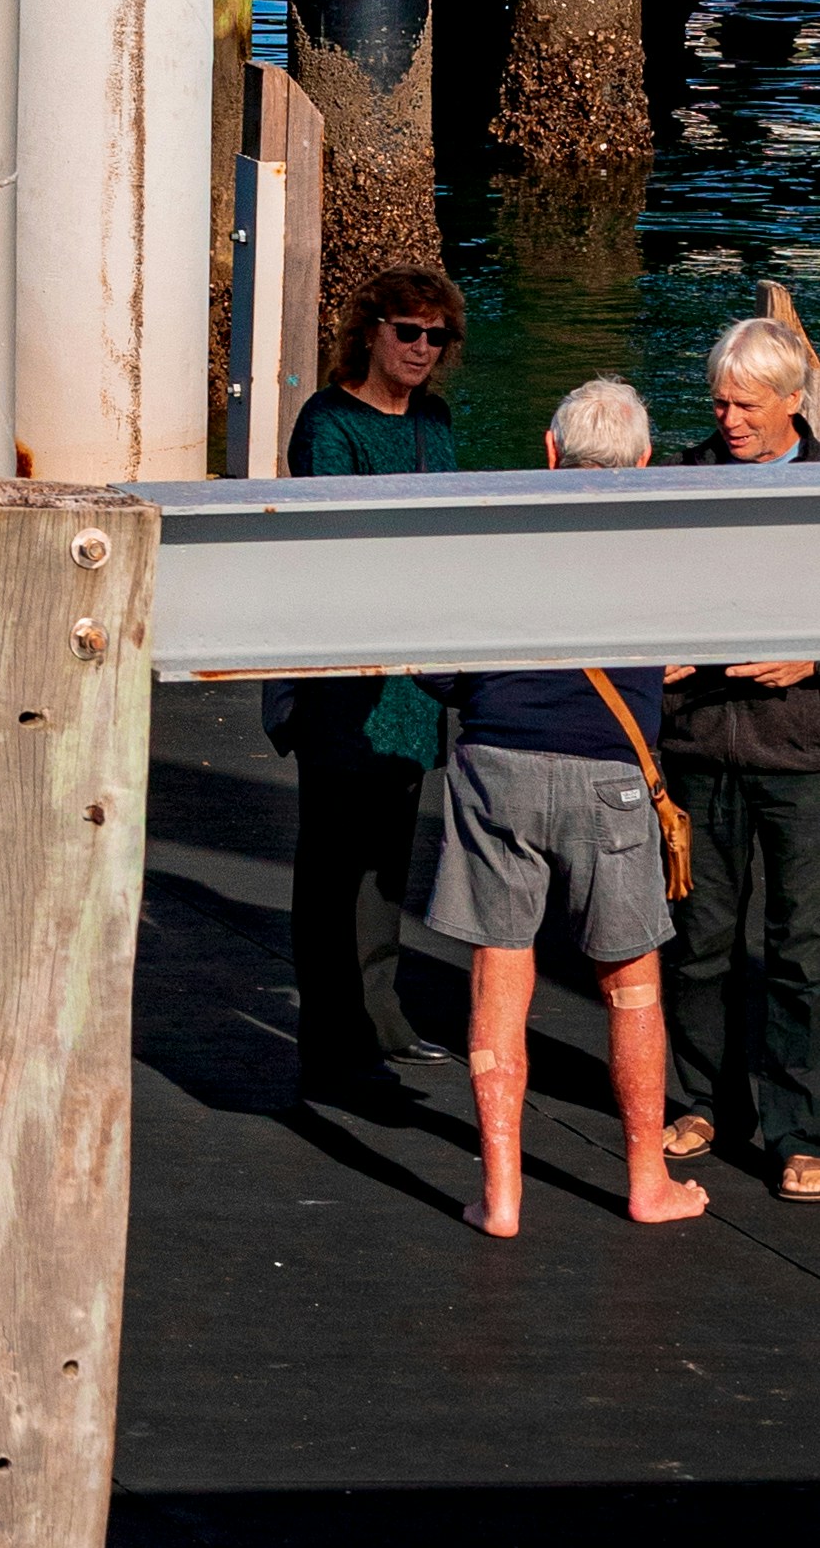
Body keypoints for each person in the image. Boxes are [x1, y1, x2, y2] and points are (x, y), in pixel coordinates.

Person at [412, 373, 709, 1242]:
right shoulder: (664, 544)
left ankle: (502, 1195)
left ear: (549, 450)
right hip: (609, 775)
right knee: (631, 985)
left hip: (496, 763)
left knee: (500, 976)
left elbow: (439, 667)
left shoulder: (500, 528)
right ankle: (647, 1179)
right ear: (647, 461)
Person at [275, 264, 466, 1118]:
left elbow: (451, 526)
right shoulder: (329, 421)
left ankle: (383, 1016)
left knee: (390, 858)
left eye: (438, 335)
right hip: (346, 679)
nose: (423, 348)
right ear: (372, 330)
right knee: (330, 866)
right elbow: (340, 541)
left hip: (415, 680)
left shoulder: (435, 419)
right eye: (408, 330)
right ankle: (332, 1043)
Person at [662, 300, 820, 1194]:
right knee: (700, 941)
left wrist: (812, 652)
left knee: (803, 951)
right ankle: (698, 1100)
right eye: (720, 404)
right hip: (699, 748)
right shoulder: (677, 479)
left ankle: (800, 1128)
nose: (727, 420)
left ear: (793, 401)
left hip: (802, 754)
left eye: (746, 406)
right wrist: (658, 662)